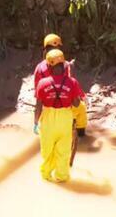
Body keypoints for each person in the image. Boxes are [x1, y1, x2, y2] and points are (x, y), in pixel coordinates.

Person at [34, 49, 81, 182]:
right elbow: (76, 104)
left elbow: (38, 106)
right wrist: (72, 89)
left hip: (48, 118)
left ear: (48, 66)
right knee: (64, 151)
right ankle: (61, 177)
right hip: (65, 119)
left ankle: (46, 176)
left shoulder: (42, 83)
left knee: (47, 151)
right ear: (64, 65)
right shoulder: (72, 82)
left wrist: (36, 123)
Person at [33, 33, 88, 137]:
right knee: (81, 109)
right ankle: (81, 135)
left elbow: (38, 94)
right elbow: (72, 84)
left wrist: (35, 122)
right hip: (65, 105)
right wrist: (82, 95)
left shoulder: (39, 68)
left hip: (47, 107)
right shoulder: (66, 65)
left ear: (45, 50)